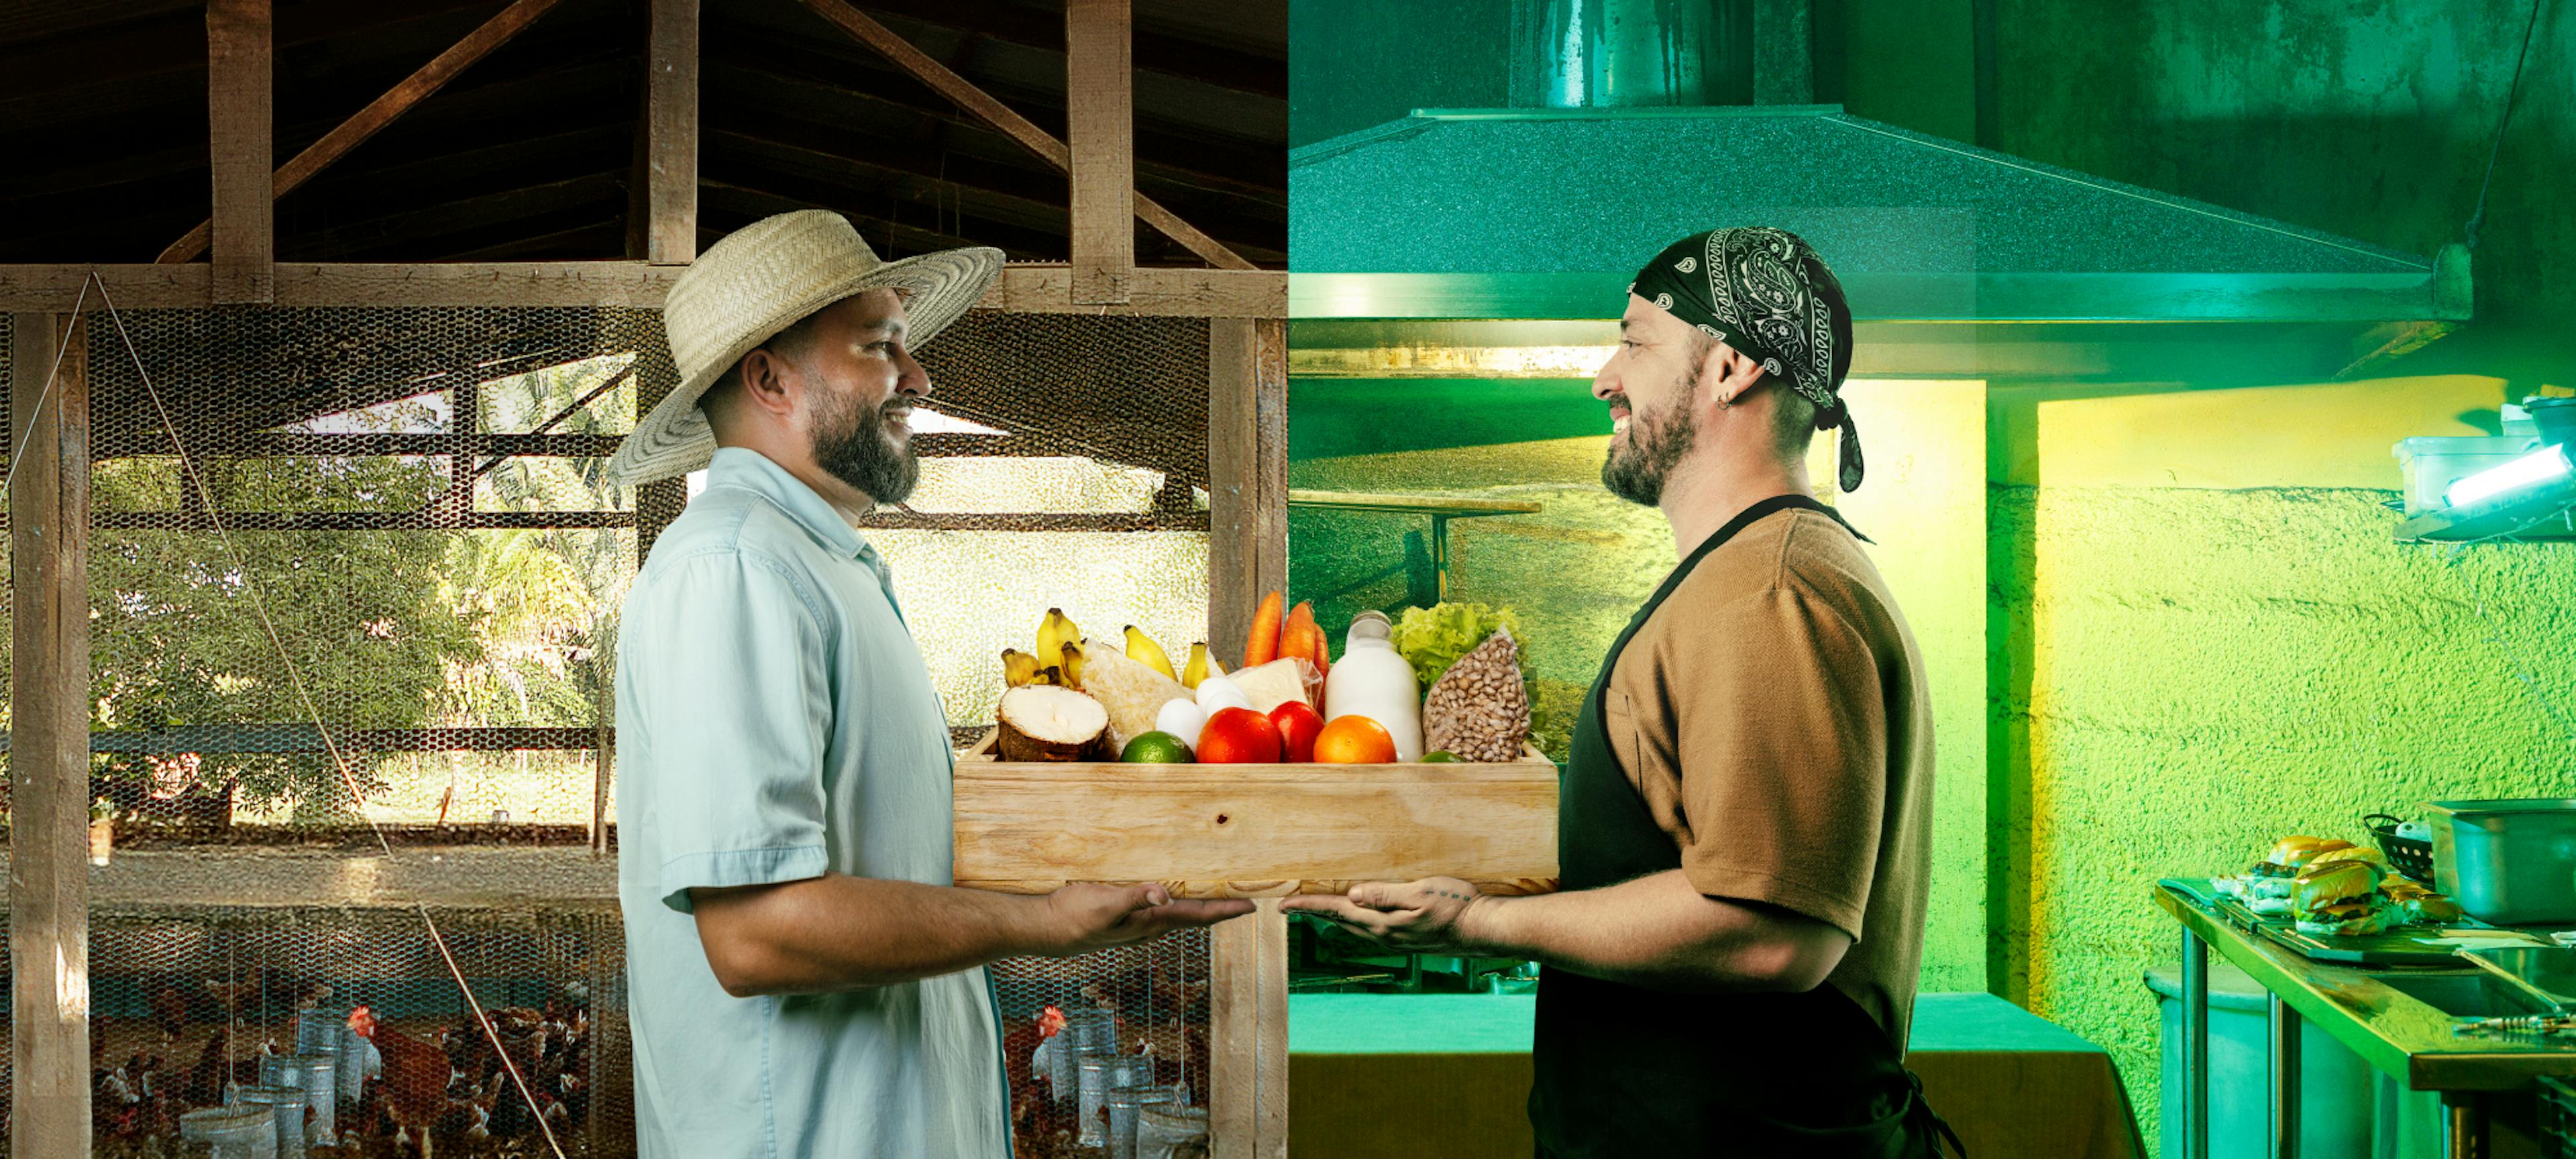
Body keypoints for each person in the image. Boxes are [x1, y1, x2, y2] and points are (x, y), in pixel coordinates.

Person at [1284, 227, 1954, 1157]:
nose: (1604, 377)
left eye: (1636, 342)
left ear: (1729, 369)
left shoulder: (1774, 589)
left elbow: (1775, 934)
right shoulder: (1747, 575)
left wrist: (1479, 924)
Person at [604, 210, 1251, 1159]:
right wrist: (1040, 924)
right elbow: (754, 933)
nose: (919, 378)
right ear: (771, 378)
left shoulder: (825, 567)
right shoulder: (735, 570)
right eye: (879, 347)